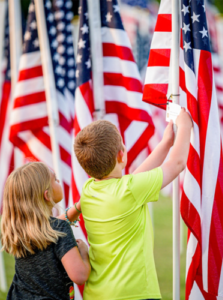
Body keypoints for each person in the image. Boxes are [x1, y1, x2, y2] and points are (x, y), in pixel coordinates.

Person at [74, 108, 192, 300]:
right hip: (135, 294)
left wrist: (165, 144)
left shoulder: (89, 190)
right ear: (121, 155)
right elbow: (178, 164)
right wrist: (185, 123)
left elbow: (135, 179)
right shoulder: (130, 190)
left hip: (96, 294)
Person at [0, 162, 91, 300]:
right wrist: (84, 252)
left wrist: (77, 208)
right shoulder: (60, 229)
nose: (59, 181)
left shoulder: (20, 231)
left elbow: (50, 228)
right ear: (47, 195)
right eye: (55, 179)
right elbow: (80, 276)